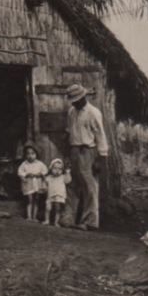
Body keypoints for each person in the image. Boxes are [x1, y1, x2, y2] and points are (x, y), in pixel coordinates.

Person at [62, 84, 108, 231]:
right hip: (74, 150)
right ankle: (68, 218)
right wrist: (67, 153)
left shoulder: (93, 113)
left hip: (88, 151)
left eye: (76, 100)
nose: (74, 103)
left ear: (83, 97)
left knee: (90, 186)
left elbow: (101, 136)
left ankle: (90, 221)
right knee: (71, 185)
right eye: (72, 101)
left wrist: (100, 159)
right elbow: (69, 132)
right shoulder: (71, 112)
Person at [17, 143, 47, 221]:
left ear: (36, 154)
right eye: (28, 154)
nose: (30, 156)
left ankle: (35, 217)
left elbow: (45, 170)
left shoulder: (39, 164)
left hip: (37, 183)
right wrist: (26, 174)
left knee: (37, 200)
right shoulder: (24, 164)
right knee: (30, 200)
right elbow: (20, 172)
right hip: (28, 184)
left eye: (32, 153)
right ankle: (29, 216)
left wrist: (39, 174)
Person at [43, 158, 72, 227]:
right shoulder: (49, 177)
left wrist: (68, 173)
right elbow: (45, 183)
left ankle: (56, 222)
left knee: (57, 209)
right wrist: (44, 188)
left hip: (59, 195)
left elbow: (68, 180)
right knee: (48, 208)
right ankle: (47, 220)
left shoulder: (62, 177)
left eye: (59, 169)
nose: (57, 170)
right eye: (55, 168)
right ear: (51, 168)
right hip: (50, 195)